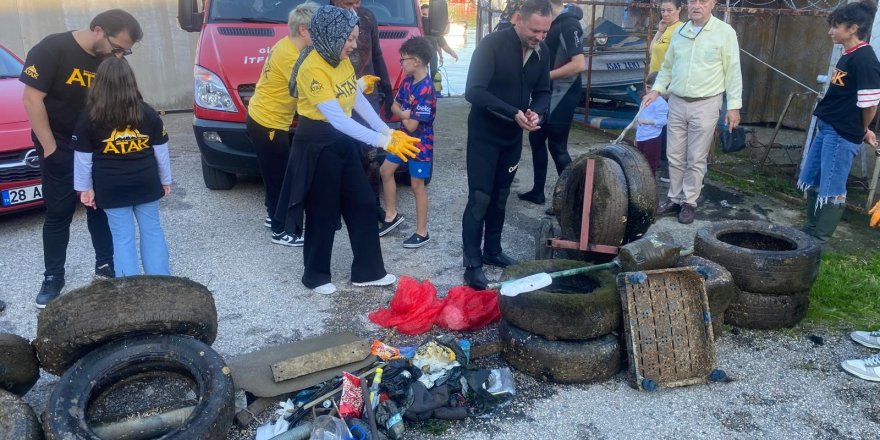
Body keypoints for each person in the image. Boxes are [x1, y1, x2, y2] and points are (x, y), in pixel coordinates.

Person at [283, 5, 420, 295]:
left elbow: (356, 100)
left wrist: (388, 130)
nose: (354, 45)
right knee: (322, 211)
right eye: (350, 39)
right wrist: (383, 142)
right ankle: (315, 276)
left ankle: (368, 272)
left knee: (364, 203)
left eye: (355, 38)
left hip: (342, 140)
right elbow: (339, 120)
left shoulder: (341, 59)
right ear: (331, 36)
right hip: (317, 141)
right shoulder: (312, 68)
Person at [19, 9, 143, 308]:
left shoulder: (110, 60)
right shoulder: (52, 49)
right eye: (117, 47)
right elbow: (32, 99)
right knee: (59, 211)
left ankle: (105, 266)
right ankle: (53, 276)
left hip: (96, 147)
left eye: (125, 52)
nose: (119, 56)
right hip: (58, 144)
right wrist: (50, 148)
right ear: (98, 30)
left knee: (98, 207)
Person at [462, 0, 551, 289]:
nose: (539, 37)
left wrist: (537, 112)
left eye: (545, 32)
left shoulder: (542, 52)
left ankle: (493, 250)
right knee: (480, 198)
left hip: (512, 136)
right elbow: (473, 91)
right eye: (535, 30)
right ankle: (472, 264)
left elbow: (544, 91)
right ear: (518, 19)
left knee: (501, 196)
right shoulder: (492, 45)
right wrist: (512, 111)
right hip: (485, 134)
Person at [642, 0, 742, 225]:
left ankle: (689, 202)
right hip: (677, 101)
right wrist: (656, 90)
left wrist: (734, 106)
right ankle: (674, 199)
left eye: (703, 1)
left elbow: (733, 70)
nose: (697, 5)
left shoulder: (724, 32)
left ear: (713, 3)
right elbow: (667, 67)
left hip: (706, 102)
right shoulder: (680, 31)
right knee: (674, 154)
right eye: (692, 1)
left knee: (696, 157)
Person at [72, 58, 171, 277]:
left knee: (121, 238)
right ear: (130, 82)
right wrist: (165, 180)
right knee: (152, 231)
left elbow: (83, 159)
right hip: (145, 182)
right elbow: (161, 152)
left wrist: (85, 188)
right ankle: (162, 282)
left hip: (111, 187)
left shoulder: (88, 117)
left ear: (99, 83)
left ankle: (128, 288)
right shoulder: (148, 113)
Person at [797, 0, 880, 244]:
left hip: (842, 132)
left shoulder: (865, 59)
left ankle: (820, 239)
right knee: (814, 177)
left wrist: (862, 129)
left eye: (836, 26)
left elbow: (870, 105)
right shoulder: (849, 54)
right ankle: (809, 230)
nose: (830, 31)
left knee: (832, 187)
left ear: (853, 28)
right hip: (828, 126)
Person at [247, 2, 318, 247]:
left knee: (273, 173)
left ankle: (272, 214)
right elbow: (309, 93)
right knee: (280, 177)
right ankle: (281, 231)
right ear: (303, 30)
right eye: (317, 29)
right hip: (268, 123)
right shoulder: (292, 57)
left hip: (261, 117)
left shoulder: (285, 43)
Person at [517, 0, 585, 212]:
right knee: (536, 138)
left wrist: (544, 76)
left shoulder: (569, 23)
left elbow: (579, 64)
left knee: (557, 146)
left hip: (564, 92)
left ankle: (572, 202)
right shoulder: (547, 21)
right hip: (547, 92)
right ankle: (538, 191)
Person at [378, 37, 437, 248]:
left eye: (403, 60)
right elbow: (394, 106)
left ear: (416, 61)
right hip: (402, 140)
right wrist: (405, 112)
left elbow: (413, 126)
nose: (401, 63)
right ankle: (391, 215)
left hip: (421, 144)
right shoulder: (407, 81)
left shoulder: (426, 89)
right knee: (385, 171)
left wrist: (402, 113)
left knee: (416, 185)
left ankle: (422, 232)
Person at [635, 72, 668, 175]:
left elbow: (663, 121)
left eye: (651, 88)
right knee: (638, 163)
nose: (648, 91)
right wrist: (636, 136)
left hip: (652, 138)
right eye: (647, 87)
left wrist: (646, 122)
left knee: (650, 166)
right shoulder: (645, 100)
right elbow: (640, 117)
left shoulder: (661, 103)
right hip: (641, 137)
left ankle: (650, 183)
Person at [421, 4, 459, 86]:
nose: (426, 18)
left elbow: (441, 42)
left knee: (435, 77)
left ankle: (434, 89)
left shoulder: (433, 29)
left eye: (428, 16)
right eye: (424, 15)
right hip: (420, 61)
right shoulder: (419, 29)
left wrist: (451, 52)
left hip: (431, 63)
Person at [649, 0, 684, 74]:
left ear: (679, 10)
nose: (665, 14)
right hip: (654, 76)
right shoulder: (665, 28)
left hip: (667, 78)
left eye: (669, 10)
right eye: (663, 10)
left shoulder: (680, 29)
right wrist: (660, 31)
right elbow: (651, 51)